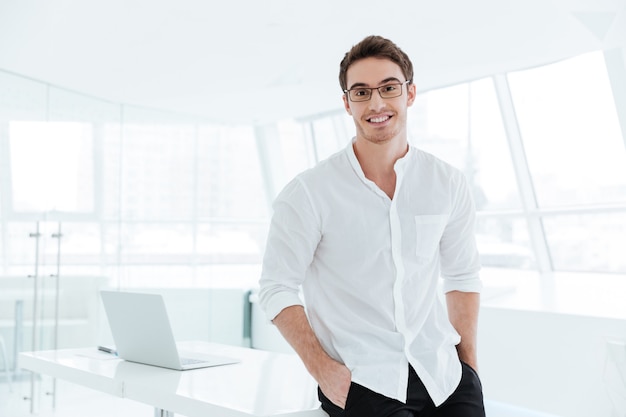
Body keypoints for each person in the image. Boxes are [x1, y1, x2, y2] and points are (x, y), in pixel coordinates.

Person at [258, 35, 485, 417]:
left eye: (389, 88)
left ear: (410, 94)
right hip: (362, 380)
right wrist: (324, 371)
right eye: (361, 92)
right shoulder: (309, 193)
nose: (376, 103)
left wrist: (469, 368)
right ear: (347, 103)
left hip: (443, 374)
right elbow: (276, 288)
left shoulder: (446, 183)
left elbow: (463, 276)